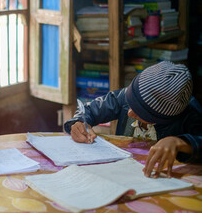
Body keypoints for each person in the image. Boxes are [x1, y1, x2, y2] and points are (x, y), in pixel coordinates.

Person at [64, 61, 202, 178]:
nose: (129, 112)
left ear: (161, 117)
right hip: (120, 174)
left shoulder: (191, 115)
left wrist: (182, 143)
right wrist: (80, 122)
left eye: (140, 112)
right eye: (130, 103)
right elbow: (89, 110)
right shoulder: (132, 94)